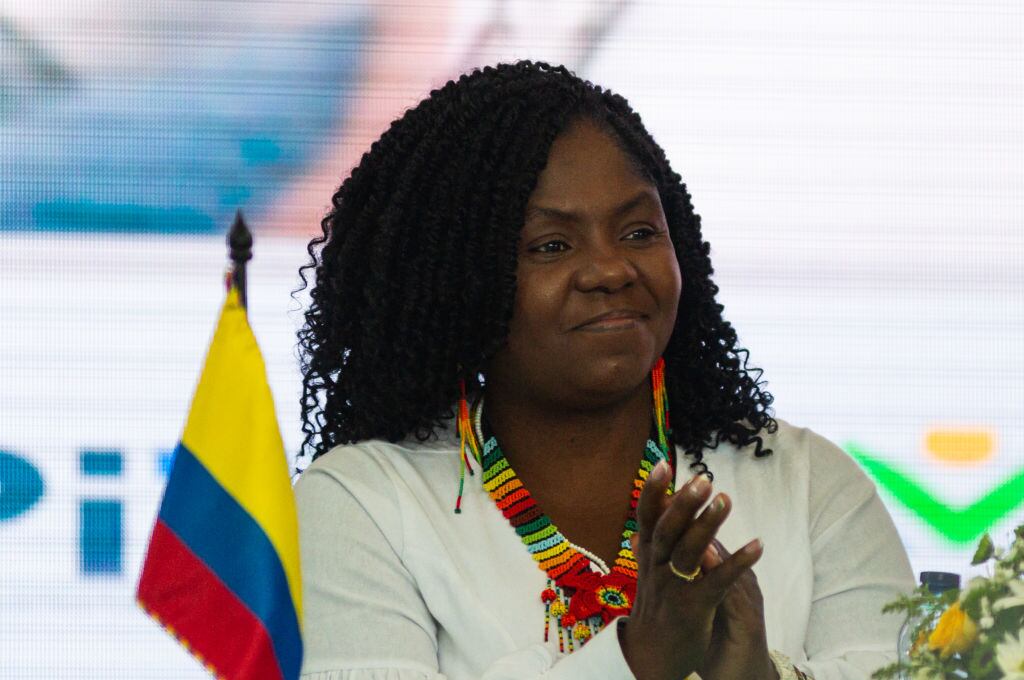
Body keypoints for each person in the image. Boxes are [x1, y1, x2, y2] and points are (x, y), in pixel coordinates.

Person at [294, 61, 914, 680]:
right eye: (552, 246)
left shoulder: (809, 483)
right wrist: (636, 659)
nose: (611, 270)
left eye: (639, 231)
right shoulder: (363, 503)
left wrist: (760, 676)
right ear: (458, 281)